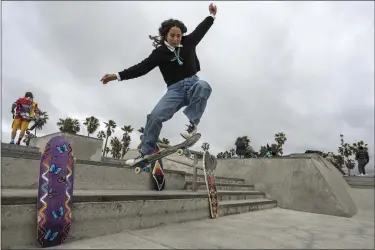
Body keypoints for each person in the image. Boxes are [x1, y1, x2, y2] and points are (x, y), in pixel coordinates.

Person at [101, 3, 217, 166]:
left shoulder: (189, 42)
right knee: (154, 117)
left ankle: (192, 126)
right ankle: (146, 153)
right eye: (173, 36)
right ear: (165, 35)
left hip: (193, 85)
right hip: (174, 91)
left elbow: (201, 29)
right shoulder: (159, 53)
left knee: (204, 86)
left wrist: (211, 16)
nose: (177, 39)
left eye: (179, 36)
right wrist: (117, 76)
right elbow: (141, 68)